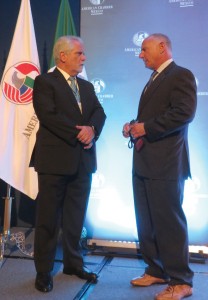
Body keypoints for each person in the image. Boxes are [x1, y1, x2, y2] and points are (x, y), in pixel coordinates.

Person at [122, 33, 197, 300]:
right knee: (148, 221)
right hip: (145, 163)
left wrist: (146, 127)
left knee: (168, 223)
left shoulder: (180, 75)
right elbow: (154, 116)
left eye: (144, 49)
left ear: (162, 48)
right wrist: (134, 126)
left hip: (166, 164)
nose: (140, 54)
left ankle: (181, 281)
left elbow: (184, 113)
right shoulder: (154, 78)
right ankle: (157, 269)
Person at [30, 35, 106, 293]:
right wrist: (80, 132)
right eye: (79, 54)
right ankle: (43, 272)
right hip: (54, 161)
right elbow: (48, 116)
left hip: (83, 161)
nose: (84, 58)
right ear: (63, 56)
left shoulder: (86, 86)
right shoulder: (44, 82)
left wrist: (93, 129)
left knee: (75, 218)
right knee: (48, 219)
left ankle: (74, 263)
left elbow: (99, 112)